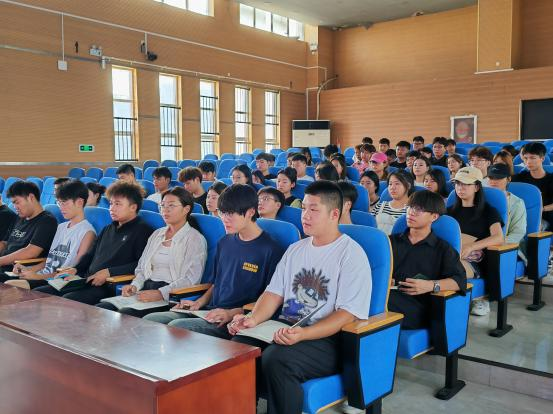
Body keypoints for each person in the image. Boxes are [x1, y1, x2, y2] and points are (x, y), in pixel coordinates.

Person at [228, 180, 372, 414]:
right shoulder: (296, 249)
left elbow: (347, 315)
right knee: (239, 347)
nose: (305, 215)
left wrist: (304, 334)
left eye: (314, 209)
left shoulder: (351, 254)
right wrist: (253, 319)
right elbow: (273, 293)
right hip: (287, 327)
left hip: (329, 339)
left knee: (278, 359)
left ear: (334, 214)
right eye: (304, 208)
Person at [144, 184, 285, 337]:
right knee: (151, 320)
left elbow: (270, 299)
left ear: (251, 212)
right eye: (222, 212)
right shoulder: (225, 242)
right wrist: (198, 303)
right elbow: (216, 283)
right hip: (211, 311)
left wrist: (231, 313)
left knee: (176, 327)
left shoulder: (271, 250)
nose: (224, 219)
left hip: (238, 319)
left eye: (230, 213)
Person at [34, 182, 154, 305]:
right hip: (87, 280)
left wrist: (109, 272)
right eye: (111, 203)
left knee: (67, 300)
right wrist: (76, 269)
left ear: (133, 207)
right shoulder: (108, 228)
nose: (111, 208)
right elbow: (90, 255)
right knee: (40, 293)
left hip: (109, 285)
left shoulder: (143, 231)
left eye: (117, 204)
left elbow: (142, 265)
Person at [96, 187, 207, 317]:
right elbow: (142, 268)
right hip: (145, 289)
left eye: (171, 205)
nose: (165, 210)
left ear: (186, 209)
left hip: (171, 295)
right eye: (163, 205)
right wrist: (135, 286)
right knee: (102, 308)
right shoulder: (157, 234)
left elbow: (191, 279)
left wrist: (160, 293)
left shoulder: (195, 239)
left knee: (125, 315)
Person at [388, 190, 466, 329]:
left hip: (417, 307)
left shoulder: (443, 249)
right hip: (388, 295)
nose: (411, 212)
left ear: (434, 217)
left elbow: (459, 281)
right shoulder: (390, 241)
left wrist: (431, 285)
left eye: (419, 209)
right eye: (410, 207)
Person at [3, 180, 96, 289]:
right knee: (10, 282)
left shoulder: (88, 233)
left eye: (64, 203)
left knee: (10, 285)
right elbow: (50, 260)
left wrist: (38, 277)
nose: (61, 207)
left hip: (58, 281)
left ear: (80, 202)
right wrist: (29, 269)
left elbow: (73, 271)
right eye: (59, 203)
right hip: (44, 275)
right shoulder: (61, 227)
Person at [447, 167, 504, 316]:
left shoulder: (489, 211)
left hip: (474, 261)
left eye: (466, 184)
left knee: (449, 267)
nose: (460, 188)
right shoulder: (448, 211)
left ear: (477, 187)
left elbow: (498, 237)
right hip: (451, 254)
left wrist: (471, 246)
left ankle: (481, 299)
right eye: (457, 183)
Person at [0, 181, 57, 272]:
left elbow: (31, 252)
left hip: (18, 270)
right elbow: (5, 243)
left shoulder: (47, 221)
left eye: (17, 202)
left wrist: (1, 261)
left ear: (31, 197)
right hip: (4, 266)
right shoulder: (20, 218)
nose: (15, 207)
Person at [512, 142, 553, 229]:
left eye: (533, 158)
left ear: (542, 158)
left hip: (544, 218)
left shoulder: (551, 179)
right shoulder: (519, 178)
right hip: (521, 217)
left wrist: (541, 209)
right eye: (525, 158)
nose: (528, 162)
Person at [487, 164, 526, 246]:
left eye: (498, 178)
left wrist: (490, 244)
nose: (493, 181)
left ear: (508, 179)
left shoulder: (516, 203)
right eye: (491, 178)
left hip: (502, 246)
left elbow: (517, 233)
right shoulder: (481, 198)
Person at [371, 171, 414, 235]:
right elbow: (370, 227)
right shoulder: (379, 206)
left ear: (408, 186)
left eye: (397, 184)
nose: (392, 187)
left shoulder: (413, 210)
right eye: (390, 184)